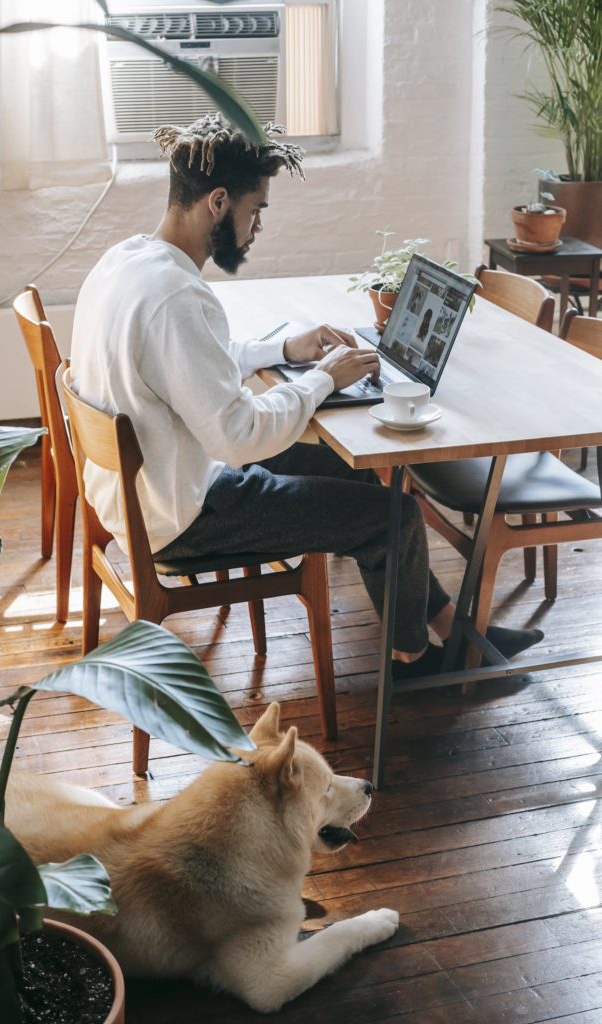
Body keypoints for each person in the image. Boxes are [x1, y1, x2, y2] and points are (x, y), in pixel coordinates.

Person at [71, 113, 542, 678]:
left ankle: (453, 630)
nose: (257, 227)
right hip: (185, 514)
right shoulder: (177, 297)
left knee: (359, 474)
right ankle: (414, 661)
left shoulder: (127, 261)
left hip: (146, 490)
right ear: (218, 202)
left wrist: (285, 351)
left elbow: (186, 364)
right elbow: (239, 437)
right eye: (256, 210)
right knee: (395, 517)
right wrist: (324, 380)